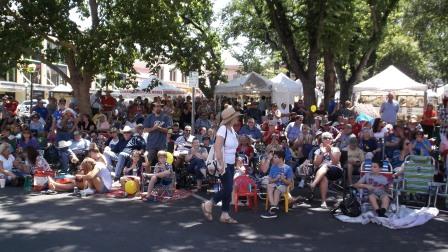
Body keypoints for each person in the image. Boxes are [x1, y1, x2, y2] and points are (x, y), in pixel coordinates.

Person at [201, 106, 240, 224]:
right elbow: (217, 147)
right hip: (224, 164)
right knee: (228, 188)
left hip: (231, 163)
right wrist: (221, 163)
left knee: (227, 188)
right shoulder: (223, 129)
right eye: (236, 116)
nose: (238, 118)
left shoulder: (232, 130)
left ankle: (225, 214)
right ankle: (209, 203)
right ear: (231, 118)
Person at [309, 132, 342, 209]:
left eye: (329, 138)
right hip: (321, 171)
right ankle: (323, 201)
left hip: (334, 170)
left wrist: (330, 152)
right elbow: (316, 164)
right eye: (325, 138)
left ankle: (313, 184)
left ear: (332, 140)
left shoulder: (335, 149)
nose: (327, 139)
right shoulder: (318, 150)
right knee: (324, 177)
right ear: (322, 140)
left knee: (325, 165)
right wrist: (322, 153)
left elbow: (335, 162)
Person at [261, 150, 294, 219]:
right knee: (269, 186)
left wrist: (283, 179)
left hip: (283, 186)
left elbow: (289, 183)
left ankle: (272, 211)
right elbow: (270, 180)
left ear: (281, 158)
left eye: (275, 157)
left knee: (277, 190)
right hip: (275, 184)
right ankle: (273, 207)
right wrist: (276, 179)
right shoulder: (273, 167)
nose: (273, 159)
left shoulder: (288, 168)